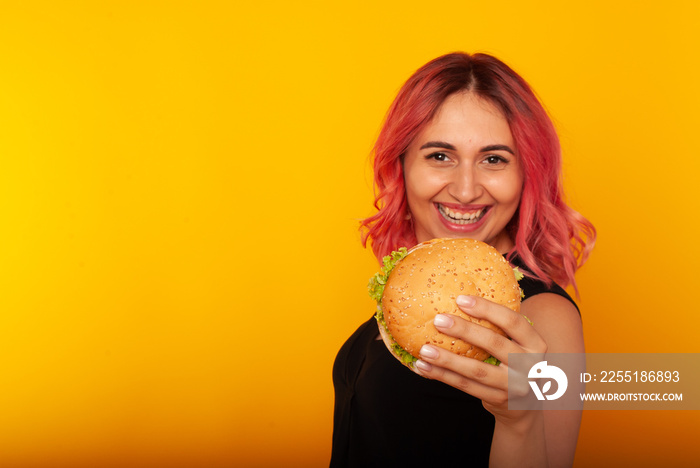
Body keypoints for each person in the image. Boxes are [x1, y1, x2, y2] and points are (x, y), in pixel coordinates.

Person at [331, 52, 596, 468]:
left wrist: (519, 421)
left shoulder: (543, 317)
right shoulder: (416, 289)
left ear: (527, 172)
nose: (467, 189)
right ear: (401, 164)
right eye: (440, 156)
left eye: (494, 159)